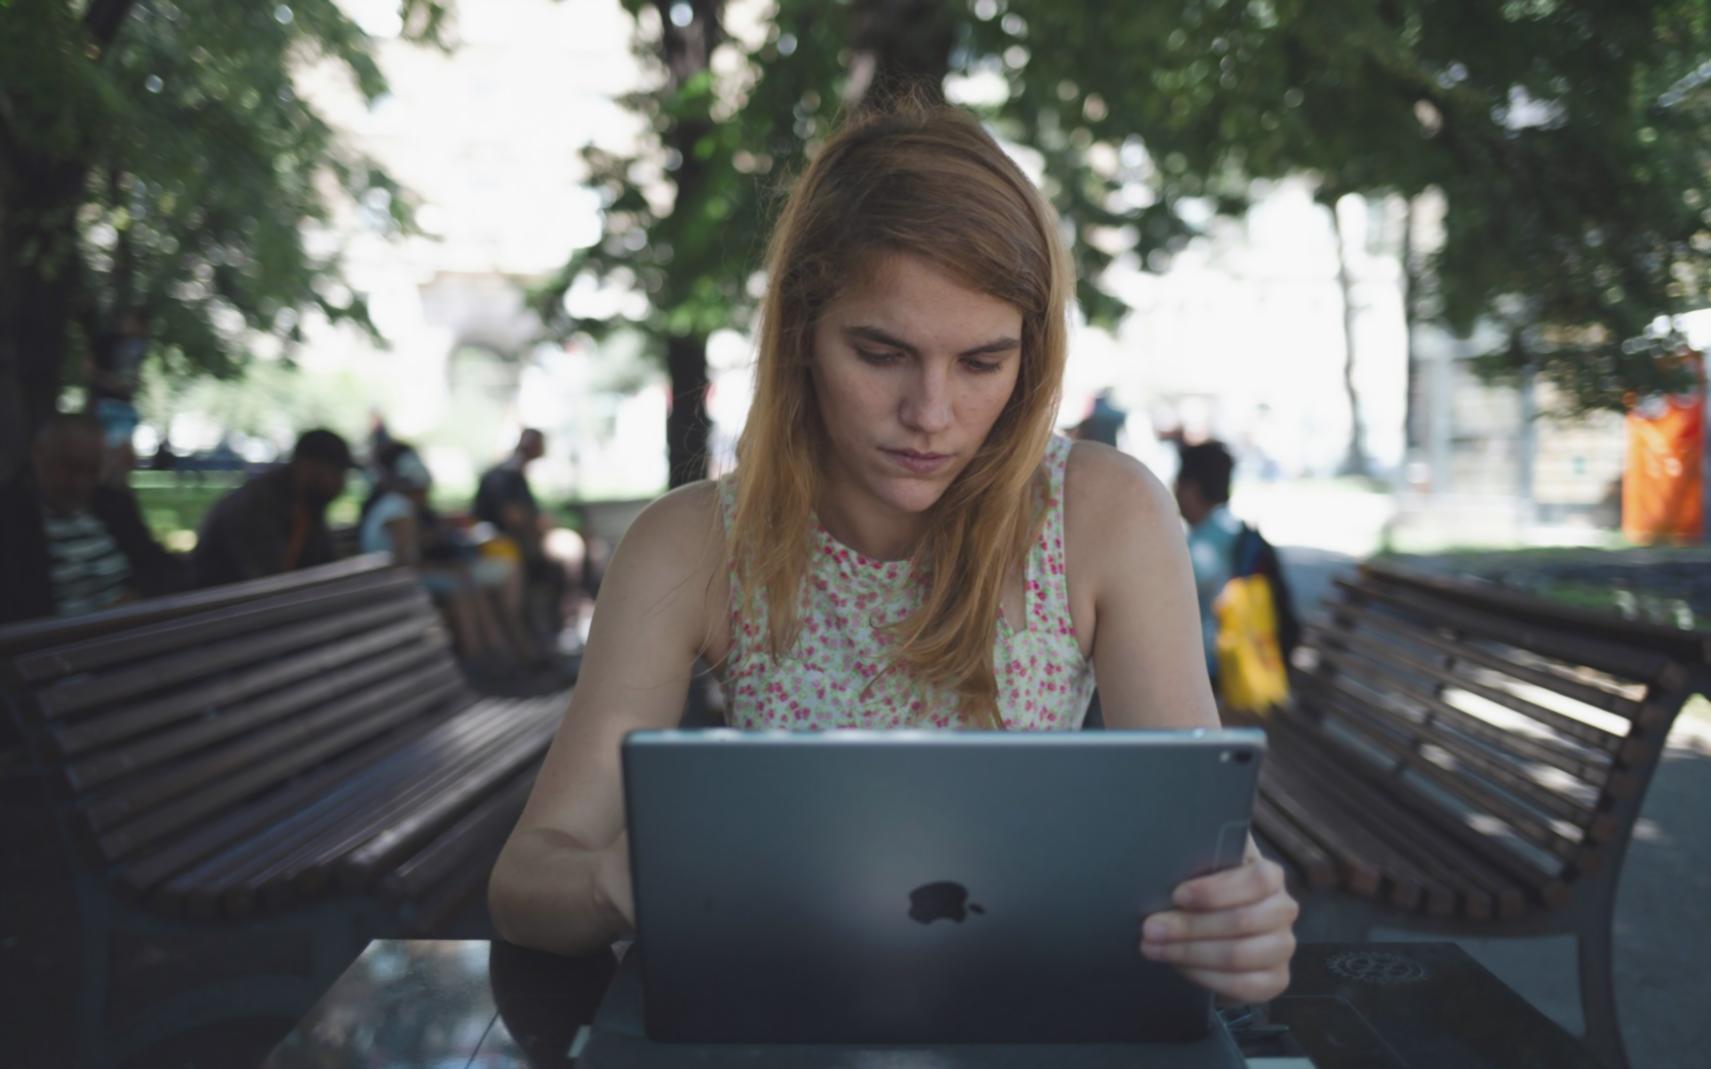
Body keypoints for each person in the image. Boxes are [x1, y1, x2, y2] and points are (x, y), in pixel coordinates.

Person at [489, 100, 1296, 1005]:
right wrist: (616, 884)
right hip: (786, 1015)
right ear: (800, 334)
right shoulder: (694, 543)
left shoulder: (1103, 513)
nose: (931, 413)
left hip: (1037, 1011)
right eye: (880, 353)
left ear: (1029, 361)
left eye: (982, 363)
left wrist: (1243, 927)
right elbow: (526, 883)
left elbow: (1206, 850)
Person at [361, 442, 540, 670]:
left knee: (466, 583)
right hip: (391, 584)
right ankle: (484, 654)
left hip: (388, 579)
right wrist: (446, 567)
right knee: (462, 585)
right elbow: (405, 563)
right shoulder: (400, 510)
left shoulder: (389, 504)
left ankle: (494, 653)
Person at [0, 412, 185, 624]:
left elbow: (162, 568)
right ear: (38, 454)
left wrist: (137, 597)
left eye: (92, 470)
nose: (80, 482)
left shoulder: (113, 505)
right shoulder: (10, 517)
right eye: (69, 466)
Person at [1173, 440, 1299, 682]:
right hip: (1248, 657)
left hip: (1215, 668)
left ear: (1191, 488)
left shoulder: (1204, 543)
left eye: (1178, 485)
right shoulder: (1234, 529)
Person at [191, 428, 354, 588]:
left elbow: (323, 560)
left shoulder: (306, 504)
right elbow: (264, 579)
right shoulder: (256, 506)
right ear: (308, 466)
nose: (341, 485)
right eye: (338, 473)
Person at [474, 428, 572, 637]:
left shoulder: (514, 474)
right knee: (554, 569)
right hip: (502, 546)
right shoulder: (506, 476)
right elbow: (513, 517)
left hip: (514, 545)